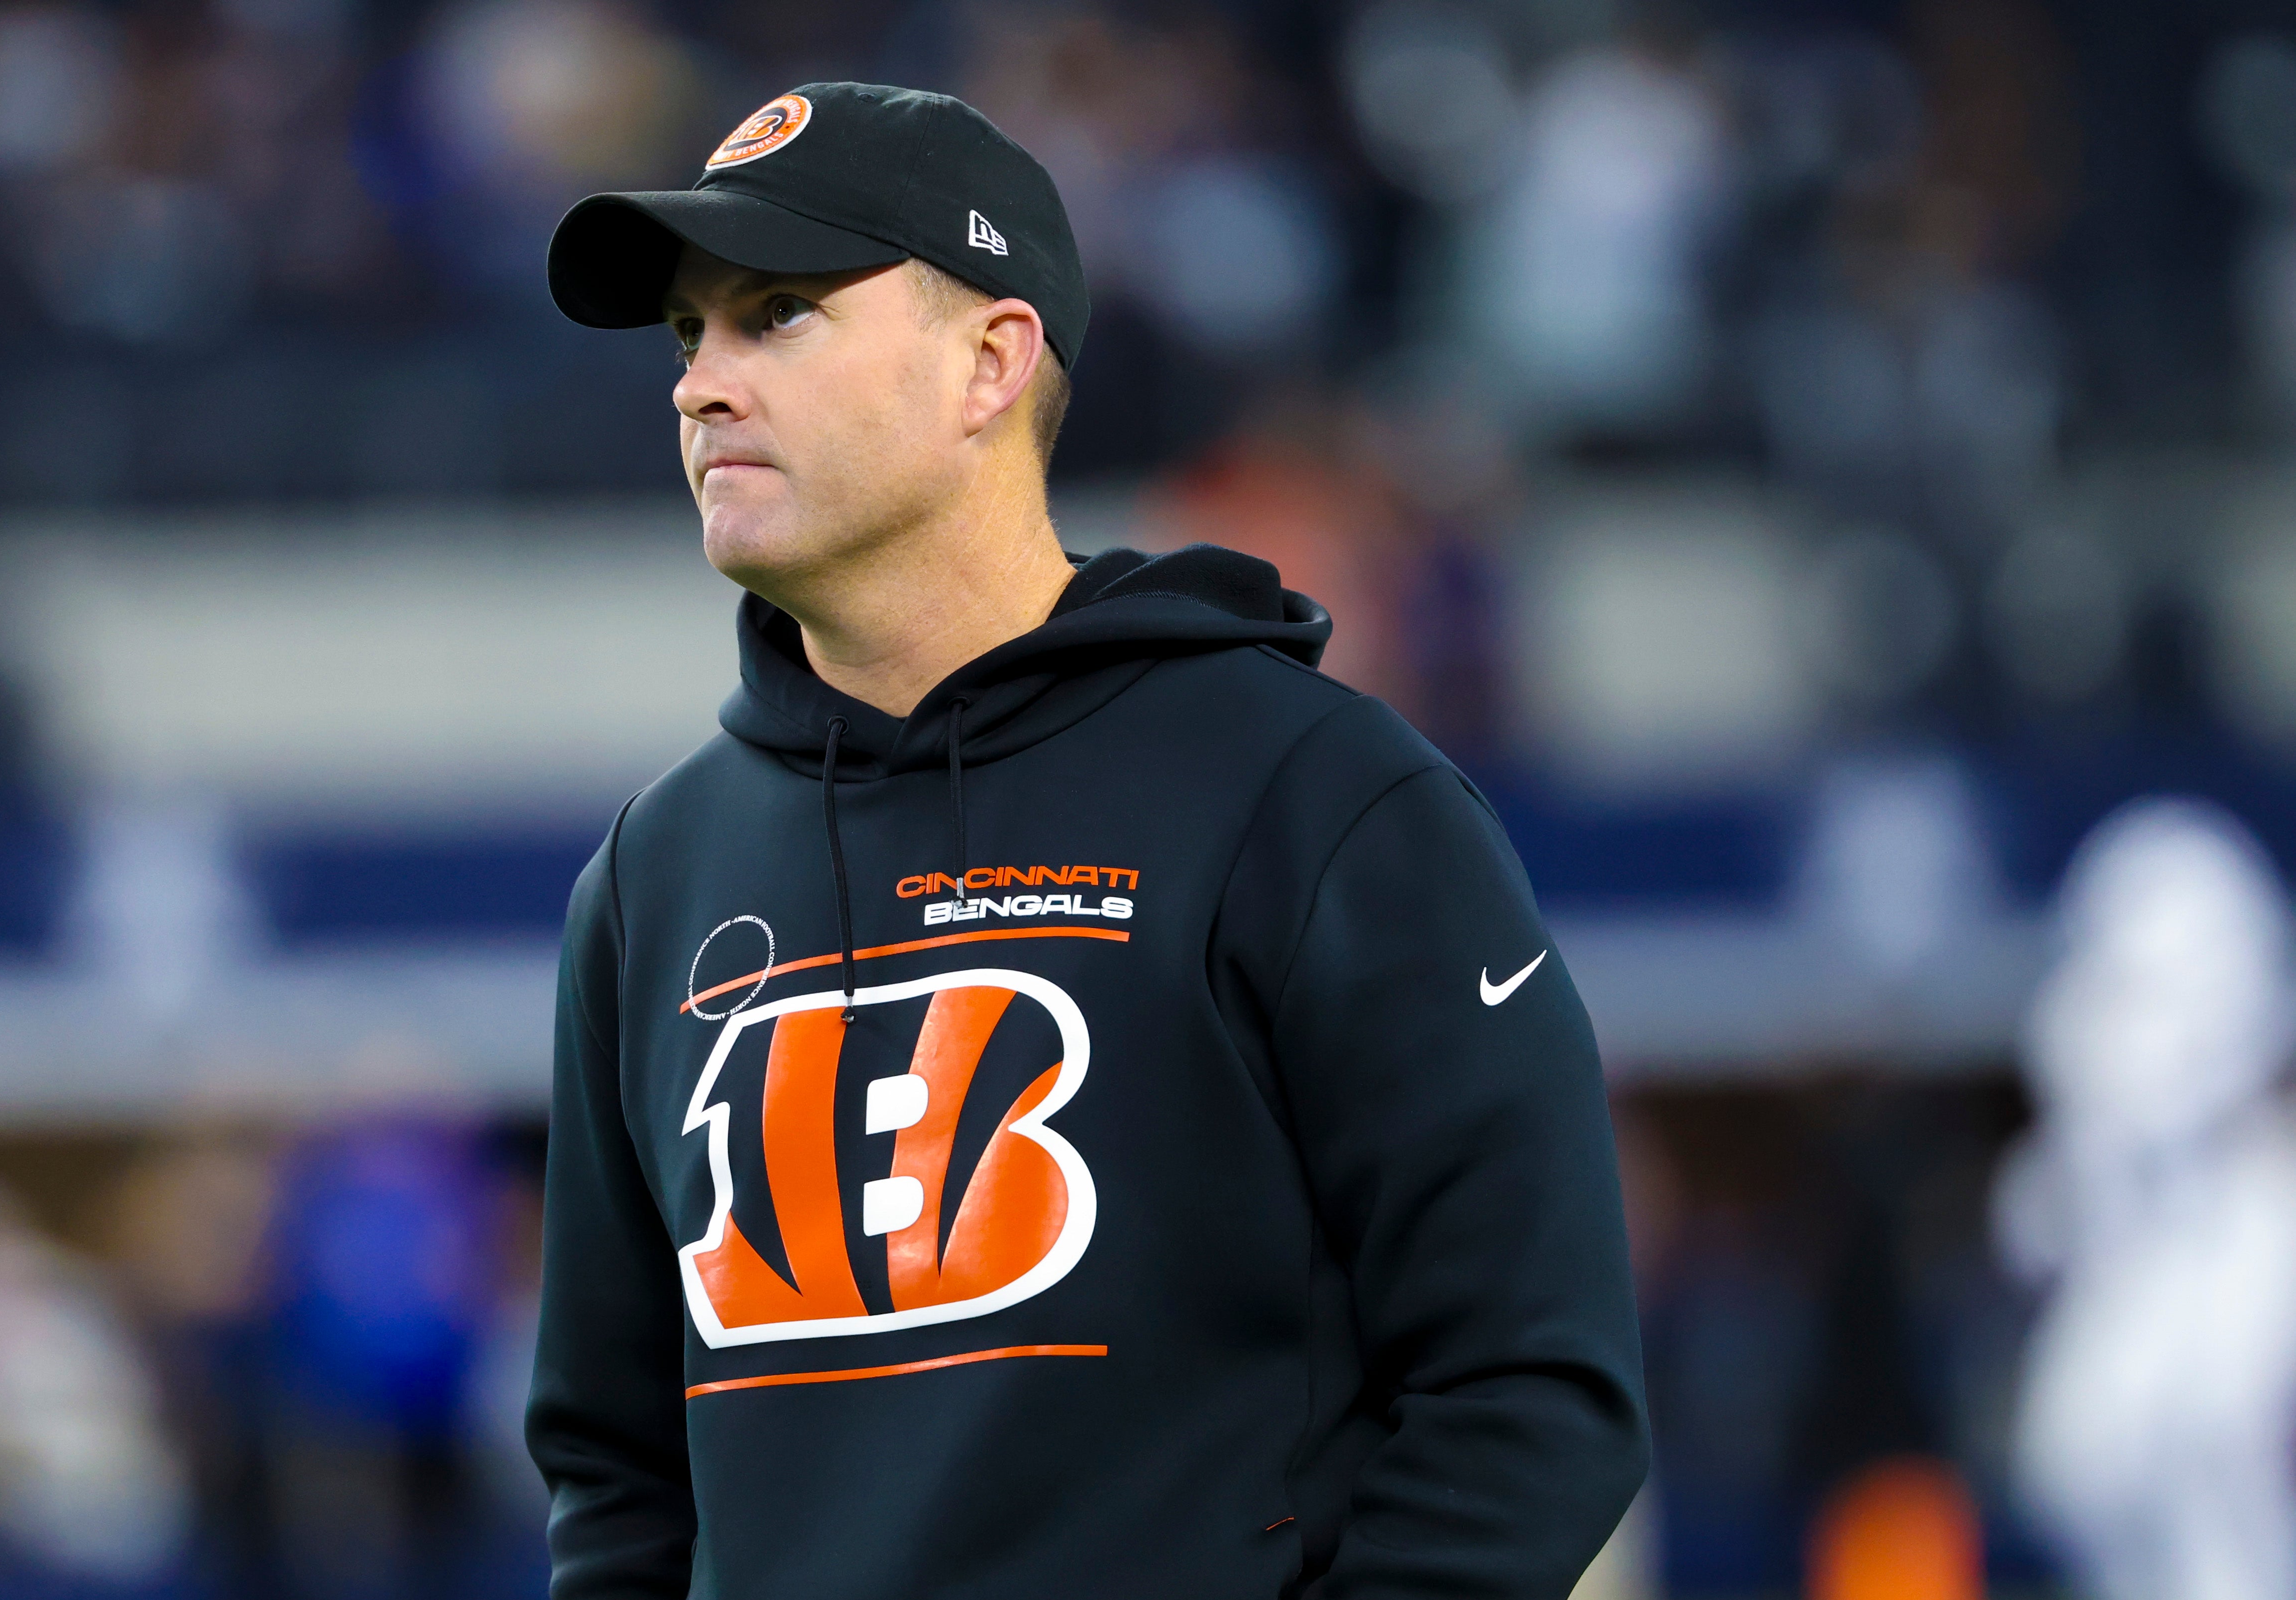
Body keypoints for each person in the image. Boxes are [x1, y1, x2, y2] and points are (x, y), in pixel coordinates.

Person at [528, 81, 1646, 1598]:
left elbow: (1530, 1384)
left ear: (991, 360)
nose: (700, 385)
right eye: (686, 336)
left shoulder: (1311, 796)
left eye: (777, 314)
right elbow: (614, 1472)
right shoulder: (651, 878)